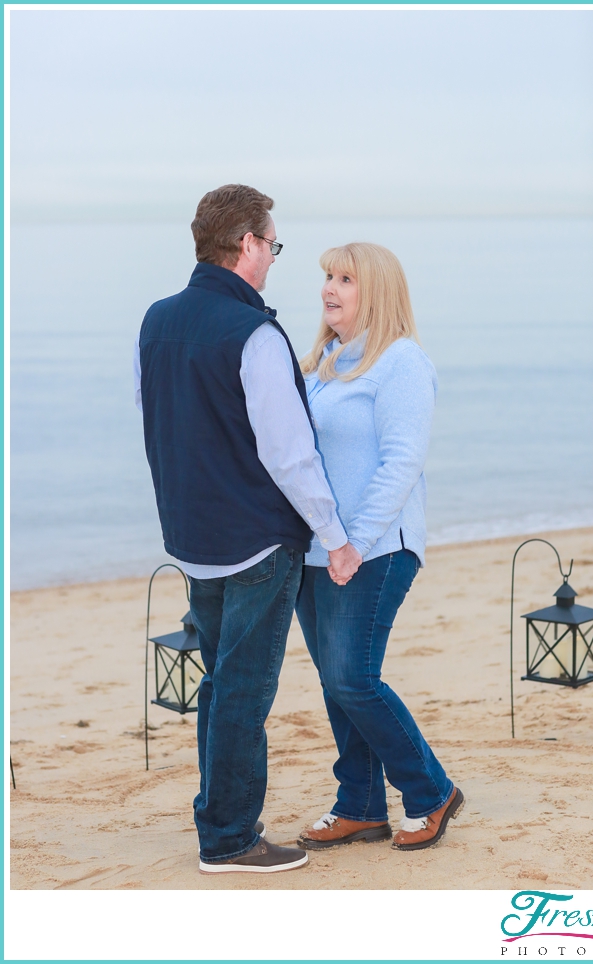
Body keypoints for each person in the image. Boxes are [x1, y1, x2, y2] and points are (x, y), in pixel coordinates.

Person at [137, 184, 360, 874]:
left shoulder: (157, 319)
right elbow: (288, 453)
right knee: (241, 690)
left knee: (217, 682)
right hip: (258, 541)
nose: (273, 258)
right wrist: (336, 535)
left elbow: (160, 420)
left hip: (192, 535)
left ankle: (217, 818)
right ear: (247, 245)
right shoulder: (254, 334)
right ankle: (229, 837)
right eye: (273, 245)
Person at [292, 242, 462, 853]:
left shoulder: (402, 364)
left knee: (353, 678)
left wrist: (355, 543)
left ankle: (430, 791)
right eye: (327, 278)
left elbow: (401, 463)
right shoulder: (320, 364)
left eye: (345, 279)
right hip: (315, 550)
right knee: (337, 683)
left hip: (377, 547)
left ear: (378, 291)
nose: (329, 289)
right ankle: (360, 807)